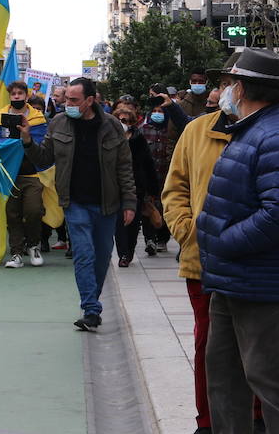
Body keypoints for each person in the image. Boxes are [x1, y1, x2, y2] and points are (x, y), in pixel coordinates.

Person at [175, 49, 279, 434]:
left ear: (245, 88)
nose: (221, 91)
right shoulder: (250, 130)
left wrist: (224, 240)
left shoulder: (278, 136)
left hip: (260, 278)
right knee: (225, 368)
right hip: (231, 276)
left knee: (268, 374)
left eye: (229, 82)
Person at [21, 76, 136, 331]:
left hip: (107, 203)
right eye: (66, 99)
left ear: (90, 100)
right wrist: (27, 140)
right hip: (74, 203)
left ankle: (91, 300)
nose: (67, 104)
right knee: (84, 254)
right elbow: (44, 158)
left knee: (102, 256)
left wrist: (129, 202)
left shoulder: (113, 126)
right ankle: (91, 309)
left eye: (73, 100)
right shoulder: (59, 123)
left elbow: (124, 167)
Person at [0, 80, 48, 268]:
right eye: (13, 94)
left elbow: (40, 145)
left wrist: (26, 136)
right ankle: (16, 253)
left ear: (26, 95)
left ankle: (33, 245)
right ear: (9, 96)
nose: (16, 97)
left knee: (33, 211)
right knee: (12, 214)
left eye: (19, 94)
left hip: (32, 174)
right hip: (9, 174)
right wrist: (14, 142)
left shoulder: (38, 118)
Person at [112, 103, 159, 269]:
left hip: (136, 187)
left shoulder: (139, 140)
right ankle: (123, 253)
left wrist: (153, 190)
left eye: (125, 120)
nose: (122, 122)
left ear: (132, 122)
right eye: (119, 120)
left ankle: (129, 250)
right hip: (115, 186)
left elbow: (148, 165)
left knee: (132, 222)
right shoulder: (109, 139)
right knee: (119, 222)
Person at [138, 97, 174, 255]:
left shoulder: (170, 132)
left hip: (167, 176)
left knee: (166, 208)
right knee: (148, 207)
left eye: (161, 111)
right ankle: (149, 239)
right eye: (155, 111)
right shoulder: (143, 130)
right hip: (148, 177)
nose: (157, 114)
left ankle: (162, 239)